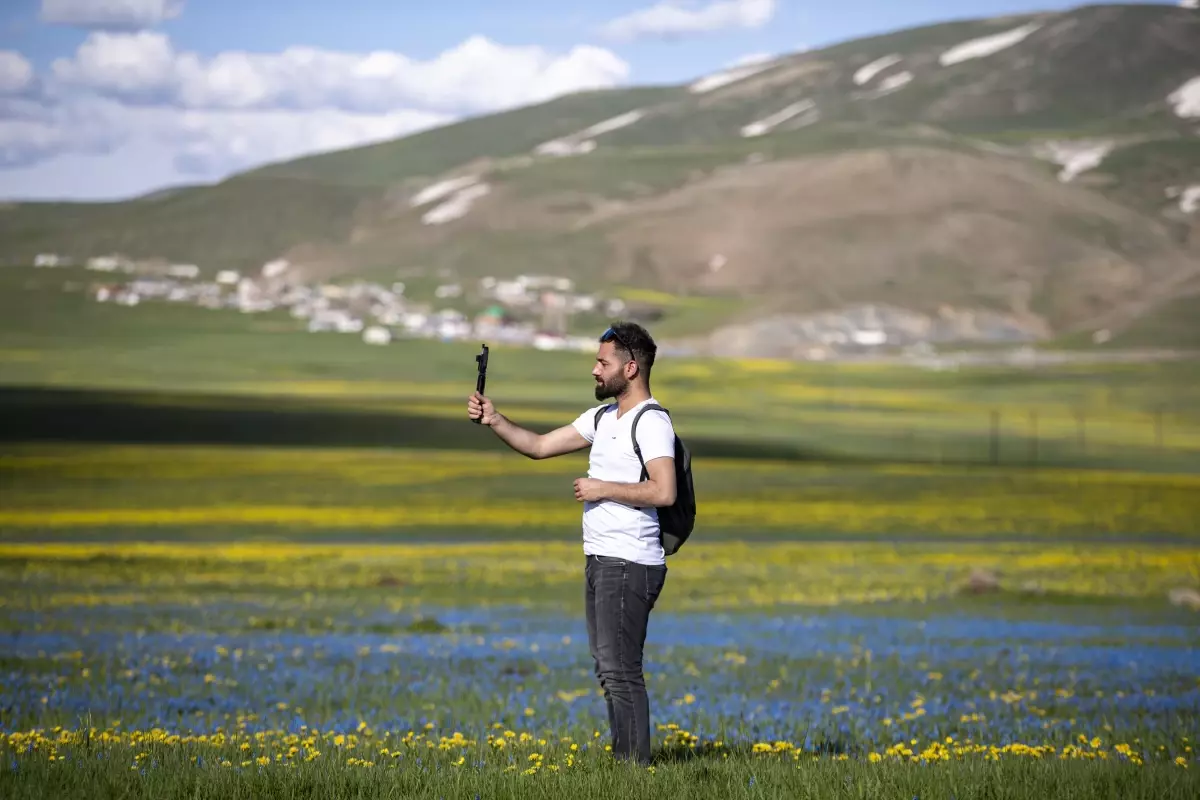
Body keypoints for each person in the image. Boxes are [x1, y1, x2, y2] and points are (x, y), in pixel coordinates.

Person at [467, 321, 676, 766]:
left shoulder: (651, 421)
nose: (595, 370)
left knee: (622, 672)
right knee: (609, 670)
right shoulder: (602, 418)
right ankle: (626, 765)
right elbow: (540, 446)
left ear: (631, 368)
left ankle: (634, 771)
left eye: (603, 362)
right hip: (601, 559)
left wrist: (602, 488)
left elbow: (664, 491)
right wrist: (495, 419)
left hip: (630, 561)